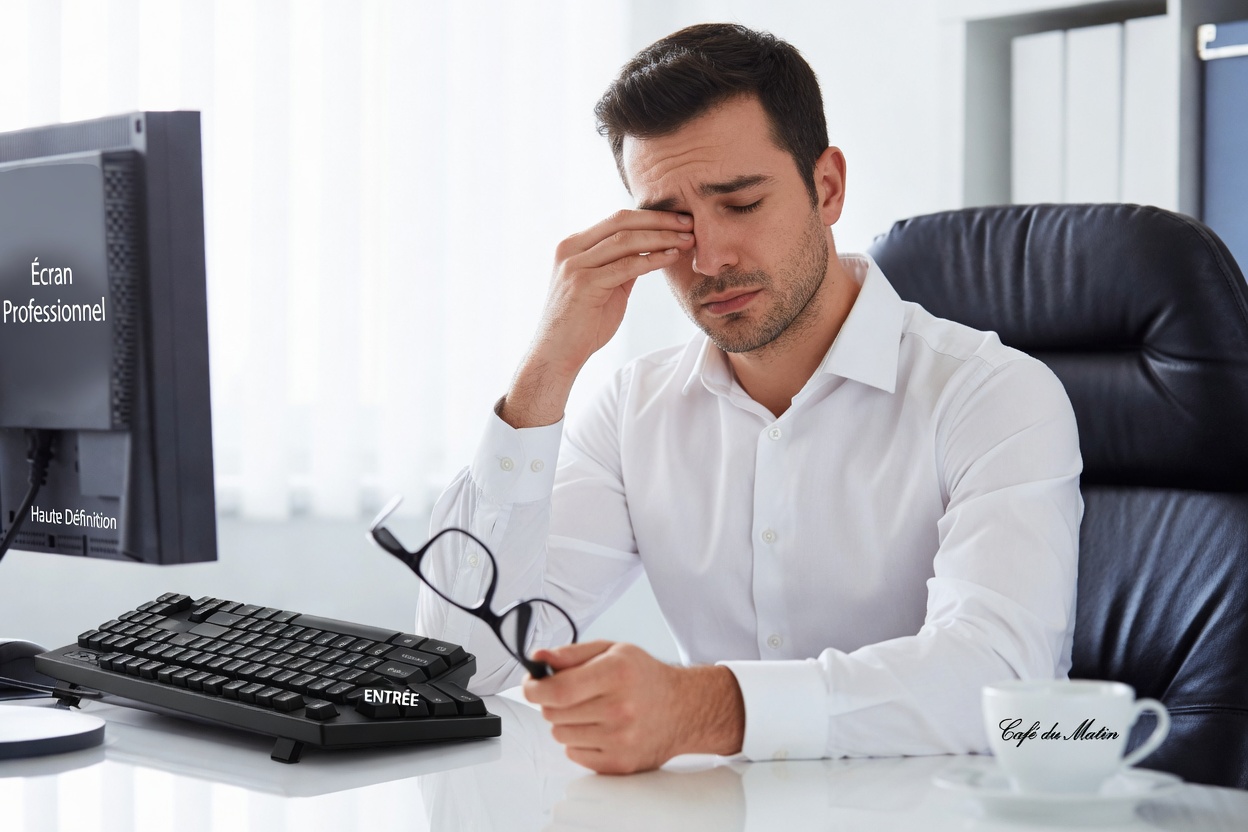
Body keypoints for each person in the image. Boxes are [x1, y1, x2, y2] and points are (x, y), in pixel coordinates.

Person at [416, 23, 1082, 775]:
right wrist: (546, 369)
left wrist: (706, 708)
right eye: (671, 221)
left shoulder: (994, 395)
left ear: (826, 188)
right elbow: (465, 664)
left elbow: (999, 679)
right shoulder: (634, 409)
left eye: (739, 204)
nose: (708, 257)